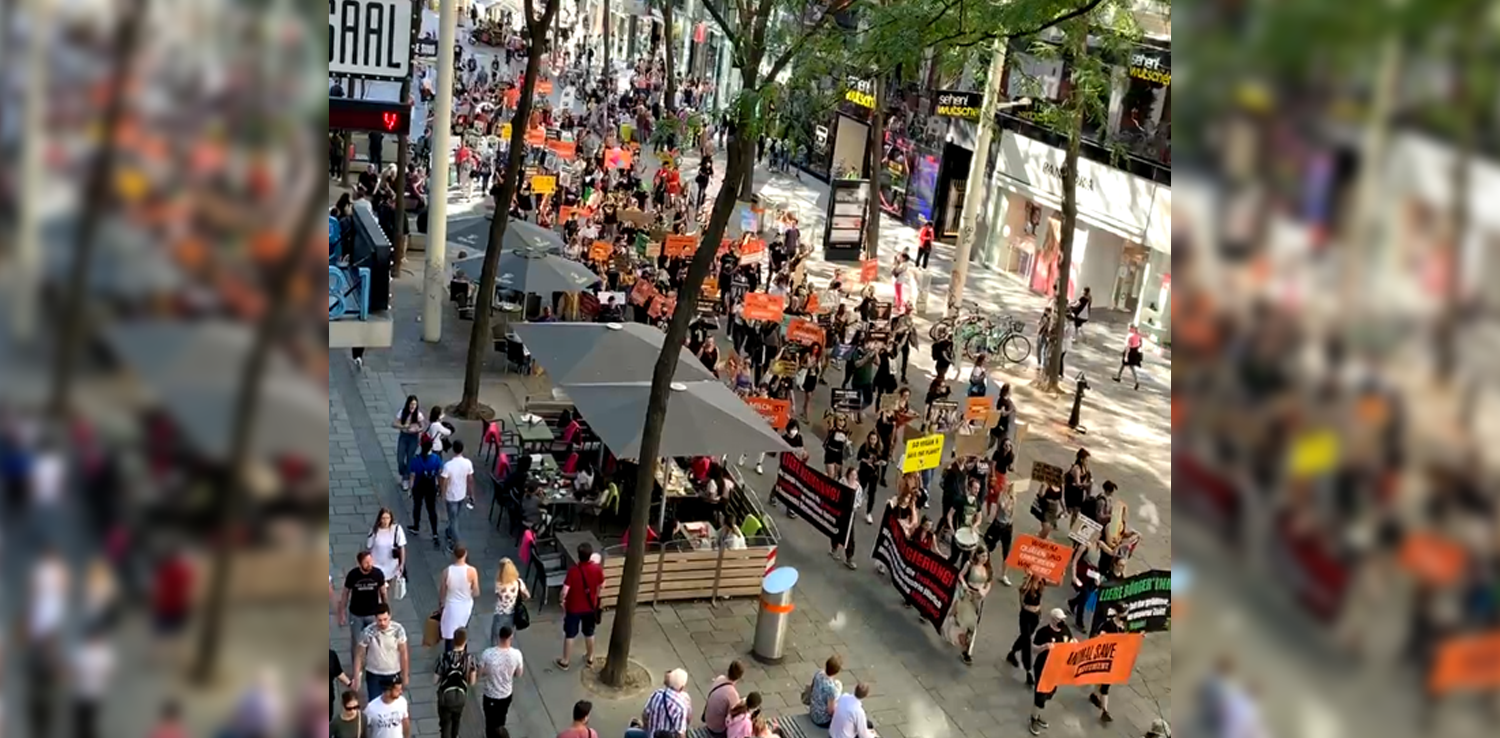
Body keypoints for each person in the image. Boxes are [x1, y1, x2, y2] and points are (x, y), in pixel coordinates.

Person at [557, 542, 605, 670]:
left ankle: (565, 661)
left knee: (570, 634)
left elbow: (565, 591)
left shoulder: (573, 572)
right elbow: (601, 585)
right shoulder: (597, 569)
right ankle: (590, 658)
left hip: (573, 608)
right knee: (589, 632)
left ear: (578, 555)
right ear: (590, 556)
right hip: (590, 607)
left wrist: (562, 600)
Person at [1027, 609, 1075, 735]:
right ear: (1053, 619)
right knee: (1041, 695)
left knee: (1051, 692)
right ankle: (1033, 718)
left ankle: (1038, 714)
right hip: (1043, 668)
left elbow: (1070, 641)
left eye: (1063, 619)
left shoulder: (1065, 630)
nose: (1063, 621)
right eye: (1060, 619)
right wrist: (1044, 647)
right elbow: (1033, 649)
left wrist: (1074, 644)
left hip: (1057, 669)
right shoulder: (1043, 632)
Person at [338, 551, 388, 658]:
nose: (369, 564)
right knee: (357, 642)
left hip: (372, 614)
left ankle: (371, 661)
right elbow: (345, 593)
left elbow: (383, 592)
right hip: (356, 614)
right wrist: (342, 611)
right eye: (366, 562)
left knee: (374, 640)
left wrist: (386, 609)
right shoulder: (353, 575)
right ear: (359, 563)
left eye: (371, 561)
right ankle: (357, 666)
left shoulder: (378, 574)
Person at [479, 625, 525, 733]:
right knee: (501, 719)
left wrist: (489, 670)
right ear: (511, 637)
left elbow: (480, 673)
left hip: (490, 694)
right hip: (506, 694)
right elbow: (519, 674)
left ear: (499, 637)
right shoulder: (517, 655)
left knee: (489, 722)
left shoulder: (488, 653)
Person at [434, 628, 478, 738]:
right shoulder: (470, 659)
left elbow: (435, 680)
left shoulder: (443, 657)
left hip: (445, 697)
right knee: (456, 719)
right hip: (460, 696)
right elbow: (472, 682)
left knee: (445, 723)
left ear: (453, 640)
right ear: (465, 641)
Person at [1005, 575, 1046, 687]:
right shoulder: (1028, 583)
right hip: (1026, 616)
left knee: (1025, 637)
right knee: (1027, 640)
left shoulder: (1042, 583)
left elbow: (1057, 584)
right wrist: (1028, 577)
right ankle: (1028, 671)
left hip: (1036, 617)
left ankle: (1012, 652)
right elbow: (1021, 591)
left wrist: (1061, 574)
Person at [438, 545, 480, 651]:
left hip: (451, 605)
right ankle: (462, 655)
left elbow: (442, 592)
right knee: (462, 631)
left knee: (450, 634)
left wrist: (441, 605)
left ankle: (449, 657)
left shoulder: (447, 571)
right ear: (465, 554)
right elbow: (476, 592)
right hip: (465, 606)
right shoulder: (472, 571)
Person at [407, 437, 443, 546]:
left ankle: (416, 527)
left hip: (418, 486)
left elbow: (412, 476)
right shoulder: (436, 459)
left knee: (417, 506)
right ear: (431, 448)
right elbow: (440, 473)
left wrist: (410, 489)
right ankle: (435, 532)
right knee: (431, 509)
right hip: (431, 487)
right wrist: (440, 487)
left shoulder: (415, 459)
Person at [440, 440, 476, 548]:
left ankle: (457, 544)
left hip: (451, 496)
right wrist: (472, 494)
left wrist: (442, 494)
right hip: (462, 494)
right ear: (462, 449)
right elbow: (470, 480)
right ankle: (449, 532)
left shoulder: (448, 466)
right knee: (455, 517)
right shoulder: (468, 463)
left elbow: (444, 481)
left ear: (453, 449)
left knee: (453, 519)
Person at [642, 668, 692, 738]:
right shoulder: (681, 707)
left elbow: (645, 715)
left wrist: (646, 730)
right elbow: (680, 734)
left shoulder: (657, 694)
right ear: (682, 688)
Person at [492, 557, 531, 644]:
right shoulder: (518, 582)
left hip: (500, 613)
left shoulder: (499, 584)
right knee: (508, 636)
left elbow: (497, 595)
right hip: (513, 613)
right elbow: (527, 595)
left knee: (496, 637)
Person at [703, 660, 745, 738]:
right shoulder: (733, 695)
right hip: (717, 729)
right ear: (739, 677)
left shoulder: (720, 678)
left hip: (708, 719)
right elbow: (733, 716)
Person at [366, 508, 406, 586]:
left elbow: (402, 547)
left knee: (386, 586)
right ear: (379, 519)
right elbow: (369, 546)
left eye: (388, 518)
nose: (385, 521)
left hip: (391, 565)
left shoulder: (396, 529)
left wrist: (402, 564)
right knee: (378, 586)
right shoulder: (374, 531)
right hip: (376, 564)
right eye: (383, 518)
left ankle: (384, 597)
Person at [393, 395, 424, 490]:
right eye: (411, 404)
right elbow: (394, 423)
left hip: (413, 438)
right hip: (404, 436)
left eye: (415, 404)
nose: (413, 406)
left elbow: (422, 426)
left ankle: (405, 479)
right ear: (408, 404)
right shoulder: (402, 412)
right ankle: (404, 472)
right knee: (400, 458)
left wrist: (418, 430)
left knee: (410, 458)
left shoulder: (418, 415)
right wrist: (404, 427)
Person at [805, 655, 843, 728]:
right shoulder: (831, 689)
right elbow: (830, 711)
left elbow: (812, 688)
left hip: (813, 711)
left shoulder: (818, 674)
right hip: (822, 720)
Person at [1113, 324, 1145, 390]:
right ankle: (1135, 380)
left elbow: (1128, 347)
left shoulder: (1130, 336)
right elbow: (1141, 342)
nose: (1128, 328)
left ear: (1132, 328)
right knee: (1127, 366)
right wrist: (1139, 347)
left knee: (1126, 364)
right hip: (1134, 351)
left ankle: (1119, 377)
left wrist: (1126, 356)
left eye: (1130, 327)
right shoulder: (1138, 335)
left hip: (1129, 351)